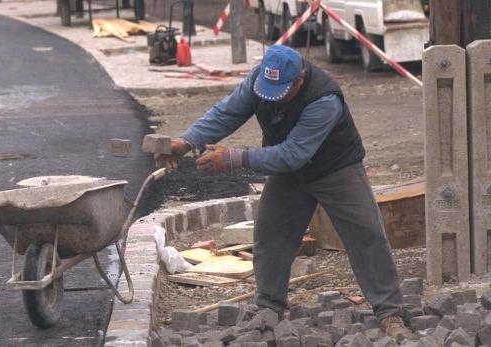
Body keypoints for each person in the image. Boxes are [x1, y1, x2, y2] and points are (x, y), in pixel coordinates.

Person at [155, 45, 409, 339]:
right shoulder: (260, 81)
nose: (269, 97)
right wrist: (186, 141)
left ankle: (389, 311)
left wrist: (234, 158)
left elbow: (293, 154)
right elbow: (227, 112)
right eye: (266, 88)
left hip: (336, 169)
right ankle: (268, 305)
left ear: (300, 79)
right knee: (270, 232)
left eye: (281, 91)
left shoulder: (324, 99)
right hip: (290, 172)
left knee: (366, 234)